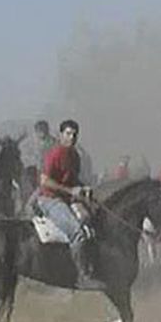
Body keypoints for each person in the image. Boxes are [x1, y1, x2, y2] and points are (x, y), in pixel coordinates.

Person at [37, 119, 106, 290]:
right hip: (50, 200)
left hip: (68, 199)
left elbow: (73, 179)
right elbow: (44, 181)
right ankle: (81, 276)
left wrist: (84, 188)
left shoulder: (75, 156)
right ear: (61, 135)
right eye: (68, 134)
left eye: (74, 135)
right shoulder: (54, 154)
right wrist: (70, 191)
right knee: (77, 233)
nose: (71, 138)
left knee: (94, 223)